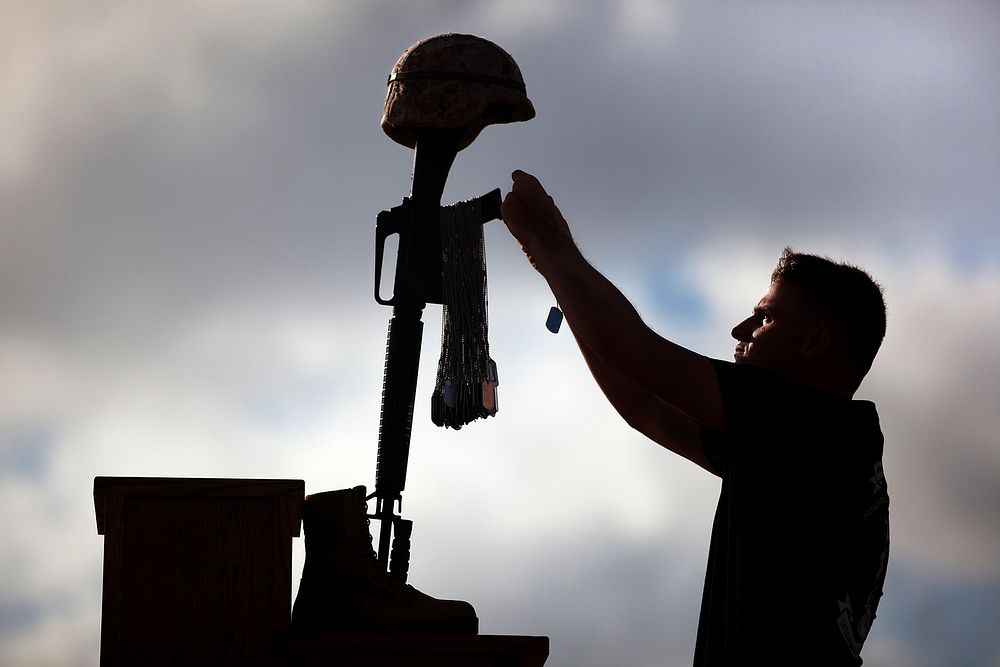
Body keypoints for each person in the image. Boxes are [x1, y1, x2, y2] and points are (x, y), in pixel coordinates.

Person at [500, 170, 889, 665]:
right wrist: (557, 271)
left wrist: (552, 244)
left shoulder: (816, 429)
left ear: (815, 343)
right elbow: (642, 405)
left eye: (765, 317)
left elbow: (629, 348)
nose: (740, 329)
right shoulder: (811, 449)